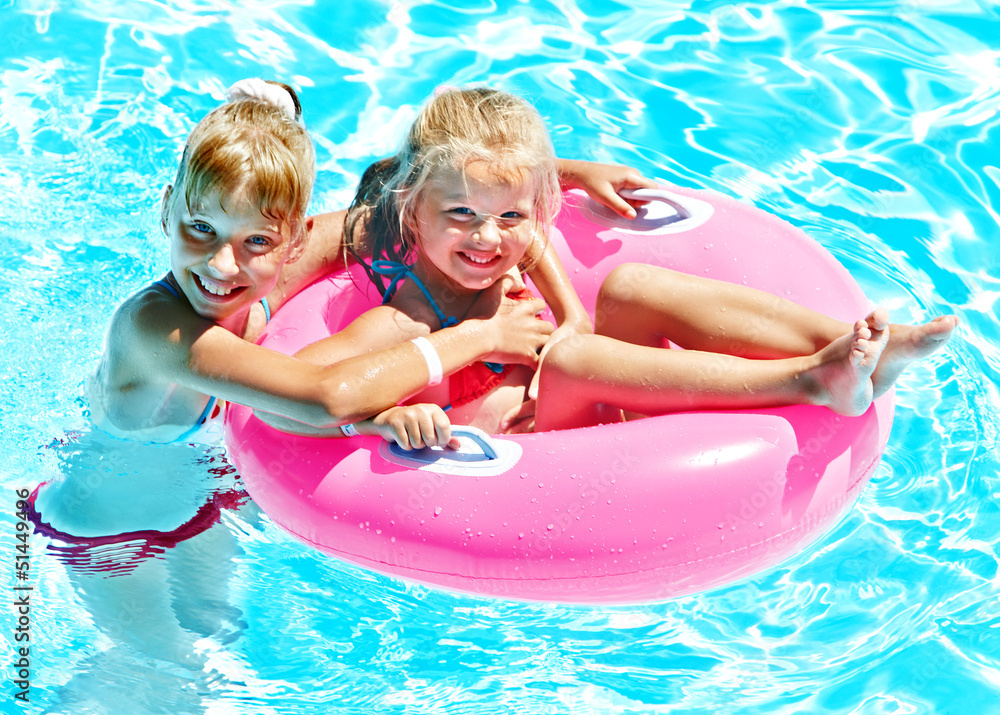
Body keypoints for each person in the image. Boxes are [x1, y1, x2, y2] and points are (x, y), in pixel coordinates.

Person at [274, 87, 956, 446]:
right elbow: (311, 386)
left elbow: (525, 236)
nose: (489, 238)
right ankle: (811, 379)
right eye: (462, 217)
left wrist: (570, 313)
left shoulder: (505, 242)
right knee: (574, 363)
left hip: (591, 410)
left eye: (512, 216)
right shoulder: (412, 313)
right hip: (540, 451)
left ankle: (848, 340)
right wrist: (381, 419)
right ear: (413, 211)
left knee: (629, 287)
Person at [87, 78, 655, 445]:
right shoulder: (158, 329)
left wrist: (560, 174)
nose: (223, 265)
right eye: (201, 229)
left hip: (218, 478)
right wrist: (481, 337)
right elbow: (321, 396)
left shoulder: (276, 264)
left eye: (256, 241)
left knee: (219, 628)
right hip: (112, 516)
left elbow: (411, 185)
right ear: (167, 213)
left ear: (294, 243)